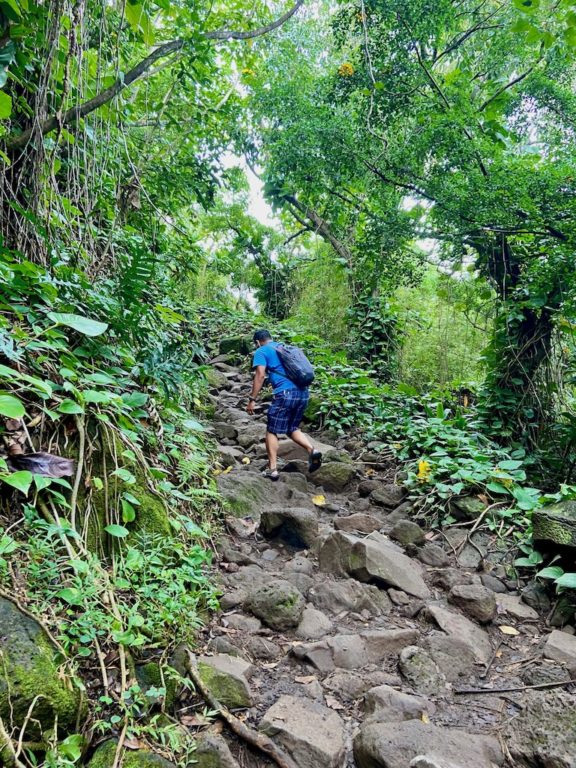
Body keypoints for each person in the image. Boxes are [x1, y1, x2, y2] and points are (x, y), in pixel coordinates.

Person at [247, 329, 322, 480]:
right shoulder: (284, 348)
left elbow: (260, 375)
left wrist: (252, 399)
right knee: (292, 428)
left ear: (257, 342)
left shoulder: (261, 351)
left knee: (272, 429)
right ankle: (312, 450)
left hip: (285, 394)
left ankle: (272, 469)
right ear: (271, 338)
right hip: (303, 394)